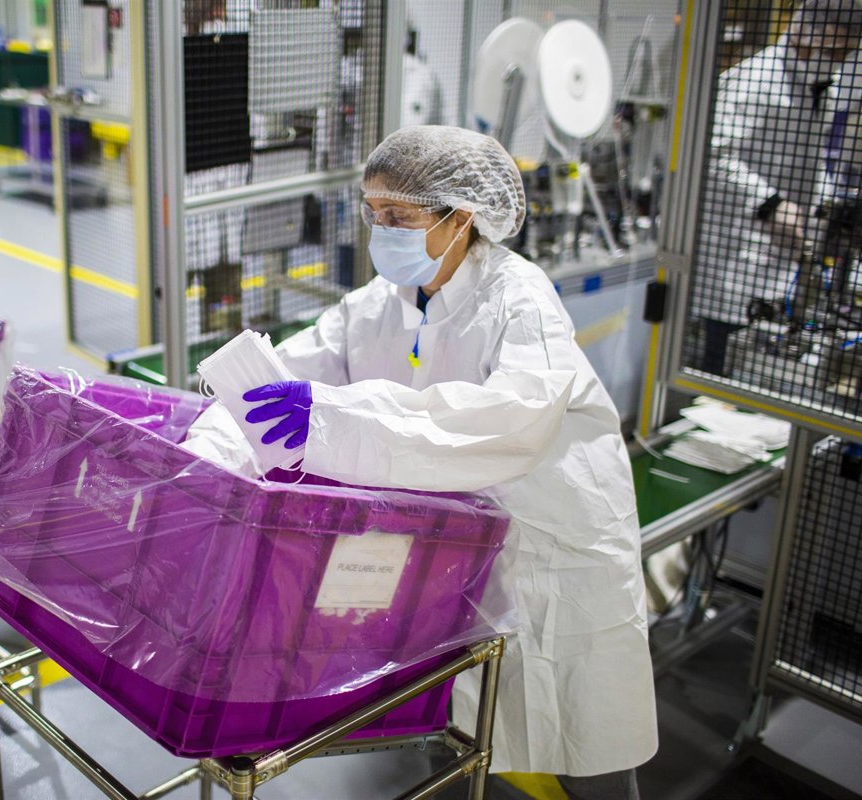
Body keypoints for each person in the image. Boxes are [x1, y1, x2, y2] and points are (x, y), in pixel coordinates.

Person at [241, 126, 657, 800]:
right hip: (461, 543)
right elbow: (289, 373)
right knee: (473, 715)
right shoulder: (381, 303)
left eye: (398, 216)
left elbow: (505, 423)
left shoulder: (520, 301)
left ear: (460, 217)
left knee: (585, 729)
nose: (381, 230)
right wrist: (216, 426)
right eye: (373, 212)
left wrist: (336, 418)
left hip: (552, 542)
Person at [692, 0, 862, 375]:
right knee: (723, 365)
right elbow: (710, 153)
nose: (838, 61)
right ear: (806, 33)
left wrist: (826, 205)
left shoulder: (819, 88)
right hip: (736, 258)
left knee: (762, 366)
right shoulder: (754, 80)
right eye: (835, 50)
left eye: (845, 53)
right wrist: (770, 203)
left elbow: (812, 157)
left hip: (782, 262)